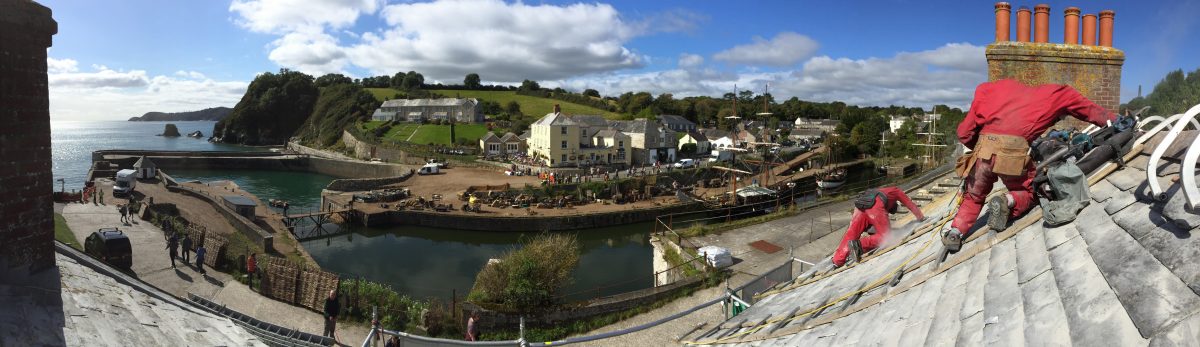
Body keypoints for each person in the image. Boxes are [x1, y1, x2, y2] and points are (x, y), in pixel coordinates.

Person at [944, 79, 1115, 251]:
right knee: (1028, 192)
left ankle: (955, 232)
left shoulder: (988, 90)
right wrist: (1115, 121)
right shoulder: (1058, 94)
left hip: (982, 151)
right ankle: (1007, 200)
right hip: (1012, 153)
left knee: (973, 196)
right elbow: (1086, 108)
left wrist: (984, 148)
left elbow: (964, 133)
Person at [832, 187, 925, 267]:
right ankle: (859, 244)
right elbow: (909, 203)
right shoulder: (896, 191)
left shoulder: (885, 191)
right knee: (886, 237)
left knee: (851, 234)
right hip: (875, 204)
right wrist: (920, 216)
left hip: (862, 204)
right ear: (894, 205)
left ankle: (837, 260)